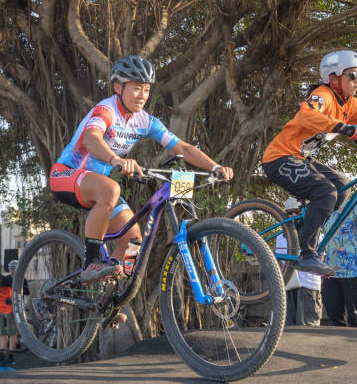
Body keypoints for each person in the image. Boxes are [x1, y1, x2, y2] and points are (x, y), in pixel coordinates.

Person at [49, 55, 233, 282]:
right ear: (118, 87)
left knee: (134, 243)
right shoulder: (105, 111)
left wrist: (215, 166)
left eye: (146, 90)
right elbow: (91, 138)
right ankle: (91, 265)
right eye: (137, 88)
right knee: (111, 188)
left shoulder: (145, 121)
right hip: (66, 174)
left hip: (101, 186)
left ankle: (106, 299)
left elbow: (183, 148)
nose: (142, 96)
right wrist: (115, 159)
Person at [262, 50, 357, 277]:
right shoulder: (323, 95)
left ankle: (302, 230)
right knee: (326, 192)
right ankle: (307, 253)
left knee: (342, 187)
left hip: (301, 158)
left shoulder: (353, 105)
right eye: (352, 76)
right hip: (279, 158)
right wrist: (342, 127)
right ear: (334, 78)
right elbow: (307, 116)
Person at [321, 204, 357, 327]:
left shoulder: (356, 210)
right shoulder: (327, 211)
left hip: (353, 272)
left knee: (356, 319)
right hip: (330, 272)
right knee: (334, 317)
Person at [276, 198, 323, 326]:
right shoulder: (280, 236)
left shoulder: (315, 232)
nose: (293, 216)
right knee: (287, 328)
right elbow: (280, 263)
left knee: (308, 329)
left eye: (296, 212)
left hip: (308, 284)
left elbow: (320, 258)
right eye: (289, 213)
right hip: (288, 285)